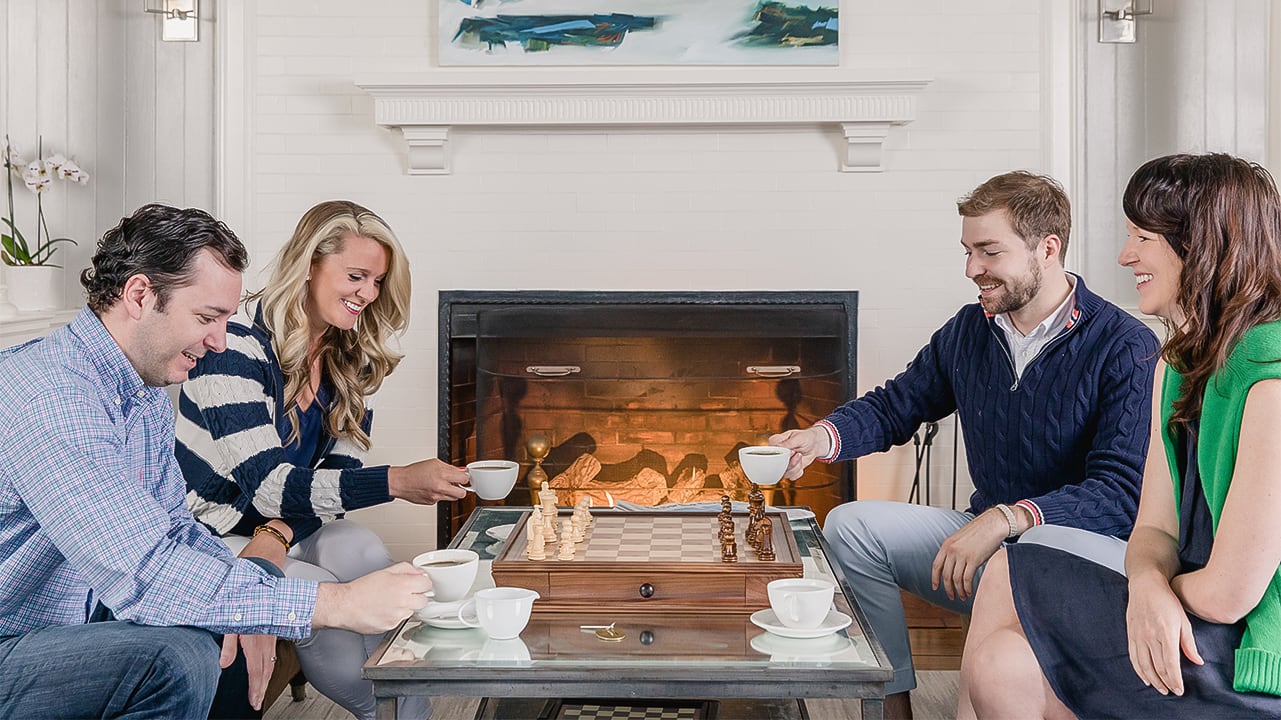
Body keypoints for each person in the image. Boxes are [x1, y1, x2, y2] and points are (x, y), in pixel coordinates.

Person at [0, 204, 432, 720]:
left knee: (227, 623)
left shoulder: (141, 394)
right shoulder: (53, 395)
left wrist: (251, 589)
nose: (219, 341)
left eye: (225, 319)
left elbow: (176, 533)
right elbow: (142, 569)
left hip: (78, 617)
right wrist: (336, 605)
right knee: (176, 656)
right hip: (17, 638)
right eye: (207, 318)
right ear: (140, 295)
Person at [770, 171, 1160, 718]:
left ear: (1046, 249)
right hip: (986, 544)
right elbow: (895, 406)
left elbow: (1119, 494)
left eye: (988, 251)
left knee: (981, 693)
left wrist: (1008, 517)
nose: (972, 269)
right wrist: (820, 437)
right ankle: (890, 702)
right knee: (850, 527)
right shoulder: (969, 330)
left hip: (1078, 563)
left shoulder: (1126, 344)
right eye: (968, 250)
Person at [959, 154, 1281, 718]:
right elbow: (1153, 526)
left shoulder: (1269, 379)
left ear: (1203, 246)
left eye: (1143, 237)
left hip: (1243, 645)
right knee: (1006, 612)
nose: (1124, 255)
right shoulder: (1176, 364)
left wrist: (1150, 595)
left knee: (1004, 664)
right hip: (1183, 600)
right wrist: (1147, 585)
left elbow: (1232, 595)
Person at [176, 200, 469, 720]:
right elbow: (267, 484)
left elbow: (333, 487)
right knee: (322, 598)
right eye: (357, 275)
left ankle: (410, 712)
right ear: (310, 264)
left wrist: (277, 535)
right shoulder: (232, 345)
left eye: (377, 282)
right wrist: (398, 481)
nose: (368, 294)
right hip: (214, 533)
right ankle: (383, 713)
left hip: (282, 528)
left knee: (359, 546)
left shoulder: (349, 359)